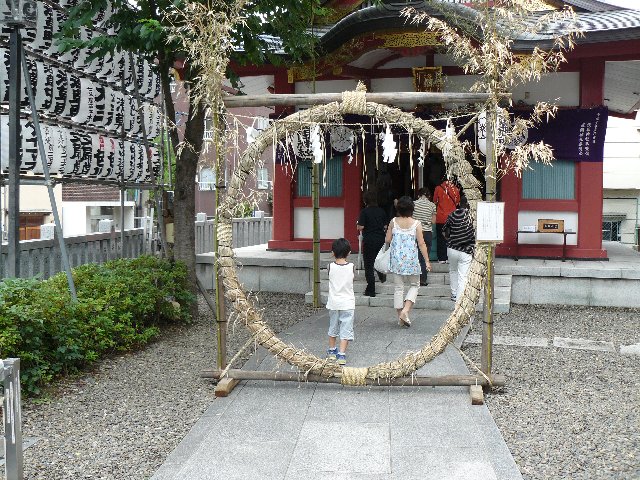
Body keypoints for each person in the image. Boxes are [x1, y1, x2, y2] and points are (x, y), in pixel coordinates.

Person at [384, 196, 431, 327]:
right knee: (415, 285)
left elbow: (387, 240)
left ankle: (400, 316)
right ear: (412, 209)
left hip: (396, 260)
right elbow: (421, 243)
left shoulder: (393, 221)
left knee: (398, 288)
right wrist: (427, 260)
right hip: (411, 260)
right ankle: (405, 311)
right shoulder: (416, 224)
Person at [325, 238, 356, 366]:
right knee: (346, 329)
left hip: (334, 303)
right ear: (349, 252)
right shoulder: (352, 267)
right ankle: (342, 354)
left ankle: (332, 352)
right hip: (348, 303)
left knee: (333, 326)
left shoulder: (330, 267)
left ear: (333, 252)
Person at [443, 195, 475, 303]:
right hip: (466, 250)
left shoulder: (452, 214)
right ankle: (460, 298)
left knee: (453, 271)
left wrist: (450, 238)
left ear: (459, 203)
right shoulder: (472, 216)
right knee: (463, 275)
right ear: (468, 204)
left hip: (452, 248)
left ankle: (454, 294)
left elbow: (445, 231)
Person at [357, 190, 387, 297]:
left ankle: (371, 289)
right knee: (378, 259)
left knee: (369, 265)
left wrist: (358, 225)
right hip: (380, 240)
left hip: (369, 240)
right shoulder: (381, 211)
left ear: (365, 200)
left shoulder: (364, 212)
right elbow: (385, 226)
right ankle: (381, 274)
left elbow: (361, 227)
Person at [433, 176, 460, 263]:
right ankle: (450, 258)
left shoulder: (438, 188)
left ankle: (441, 258)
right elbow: (457, 202)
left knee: (440, 238)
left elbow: (434, 201)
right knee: (451, 238)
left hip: (440, 217)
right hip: (452, 218)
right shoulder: (455, 189)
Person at [413, 187, 436, 286]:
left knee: (417, 256)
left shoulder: (414, 204)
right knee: (425, 256)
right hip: (427, 233)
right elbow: (433, 221)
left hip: (416, 232)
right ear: (429, 196)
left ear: (419, 195)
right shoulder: (432, 205)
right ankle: (423, 279)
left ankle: (416, 278)